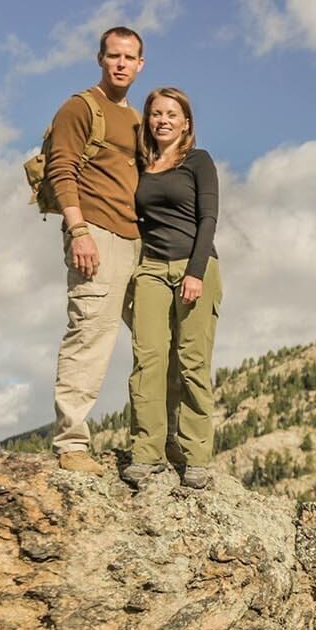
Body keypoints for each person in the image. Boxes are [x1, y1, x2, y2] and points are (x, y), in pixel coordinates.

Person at [47, 26, 146, 475]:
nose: (121, 64)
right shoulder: (81, 107)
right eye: (114, 56)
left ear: (141, 64)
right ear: (100, 59)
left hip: (140, 240)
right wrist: (79, 230)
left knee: (155, 341)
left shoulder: (140, 119)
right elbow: (61, 168)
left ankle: (154, 443)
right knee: (90, 335)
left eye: (130, 57)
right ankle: (71, 445)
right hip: (97, 236)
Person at [124, 86, 222, 488]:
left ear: (186, 123)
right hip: (150, 268)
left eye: (171, 114)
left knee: (192, 362)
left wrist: (195, 272)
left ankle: (196, 456)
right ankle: (147, 452)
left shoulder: (198, 161)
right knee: (148, 360)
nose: (163, 120)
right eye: (156, 114)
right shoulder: (141, 166)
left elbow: (209, 218)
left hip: (195, 266)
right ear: (148, 120)